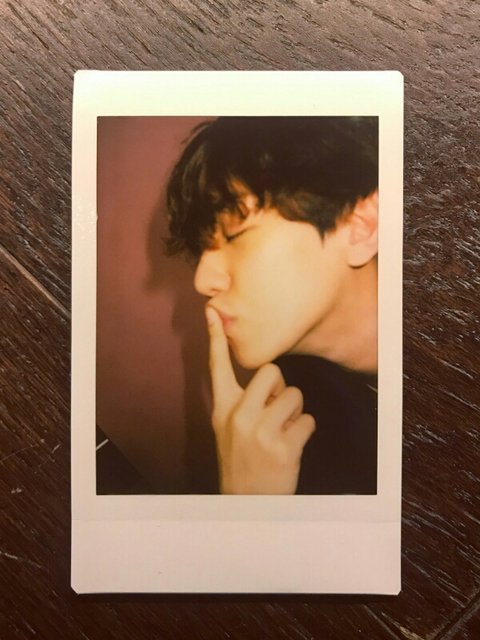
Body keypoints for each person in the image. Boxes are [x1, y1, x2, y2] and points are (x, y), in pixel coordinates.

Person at [166, 116, 378, 495]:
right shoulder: (291, 427)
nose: (202, 281)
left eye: (235, 234)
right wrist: (251, 499)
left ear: (361, 226)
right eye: (203, 249)